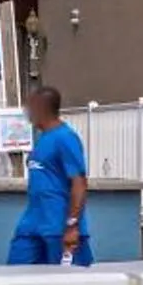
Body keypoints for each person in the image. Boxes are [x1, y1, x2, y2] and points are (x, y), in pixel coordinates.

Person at [9, 87, 92, 267]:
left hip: (59, 229)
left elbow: (79, 182)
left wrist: (72, 225)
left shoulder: (66, 138)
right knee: (16, 276)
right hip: (32, 225)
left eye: (29, 106)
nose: (26, 111)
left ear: (41, 108)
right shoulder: (43, 139)